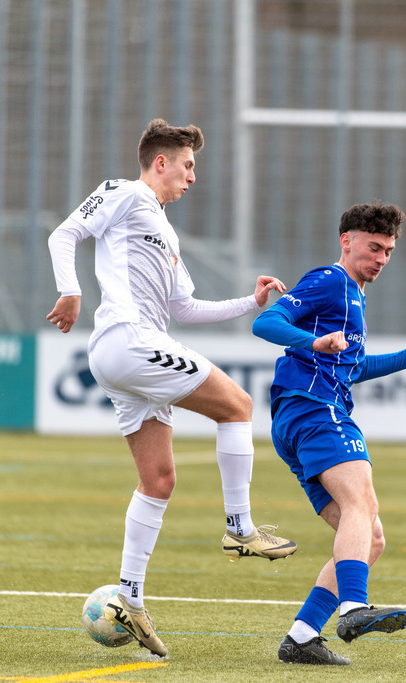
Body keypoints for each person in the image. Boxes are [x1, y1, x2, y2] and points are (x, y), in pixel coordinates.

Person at [46, 119, 296, 658]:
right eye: (187, 165)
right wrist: (70, 291)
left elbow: (185, 309)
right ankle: (240, 528)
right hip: (128, 339)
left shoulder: (166, 233)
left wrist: (251, 303)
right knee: (238, 405)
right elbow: (64, 234)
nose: (192, 176)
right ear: (160, 162)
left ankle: (130, 599)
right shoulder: (125, 192)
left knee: (158, 481)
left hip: (129, 353)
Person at [252, 201, 406, 666]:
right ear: (347, 241)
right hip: (314, 408)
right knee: (362, 504)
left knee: (369, 537)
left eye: (388, 251)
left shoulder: (354, 295)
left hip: (307, 414)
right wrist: (312, 341)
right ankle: (353, 608)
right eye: (373, 247)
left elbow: (354, 366)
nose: (381, 258)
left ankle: (302, 637)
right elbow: (267, 322)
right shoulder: (331, 280)